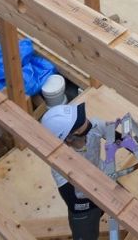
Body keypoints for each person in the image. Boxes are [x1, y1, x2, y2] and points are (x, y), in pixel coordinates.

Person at [40, 103, 104, 240]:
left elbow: (118, 136)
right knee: (86, 233)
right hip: (84, 204)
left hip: (102, 179)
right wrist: (100, 201)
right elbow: (73, 202)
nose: (87, 121)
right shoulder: (60, 164)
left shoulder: (93, 127)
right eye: (80, 123)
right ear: (69, 137)